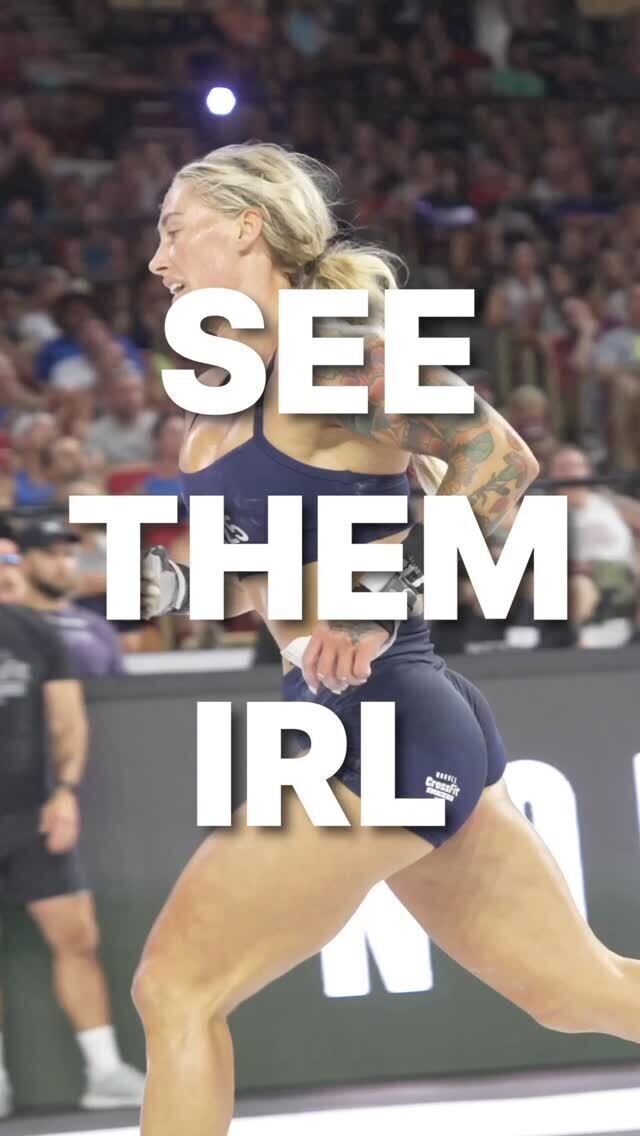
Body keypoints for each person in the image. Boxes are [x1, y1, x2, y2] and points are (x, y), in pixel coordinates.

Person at [135, 142, 640, 1136]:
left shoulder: (332, 357)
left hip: (383, 722)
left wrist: (378, 595)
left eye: (173, 228)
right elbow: (274, 578)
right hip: (367, 717)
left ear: (246, 226)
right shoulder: (218, 403)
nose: (158, 258)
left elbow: (499, 460)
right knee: (578, 992)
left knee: (175, 988)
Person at [0, 549, 143, 1117]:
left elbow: (67, 717)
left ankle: (104, 1071)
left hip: (33, 812)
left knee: (77, 937)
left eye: (11, 564)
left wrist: (64, 791)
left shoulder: (35, 631)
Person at [18, 518, 126, 677]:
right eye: (50, 554)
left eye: (69, 554)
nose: (62, 564)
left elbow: (122, 686)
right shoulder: (10, 623)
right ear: (24, 561)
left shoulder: (97, 626)